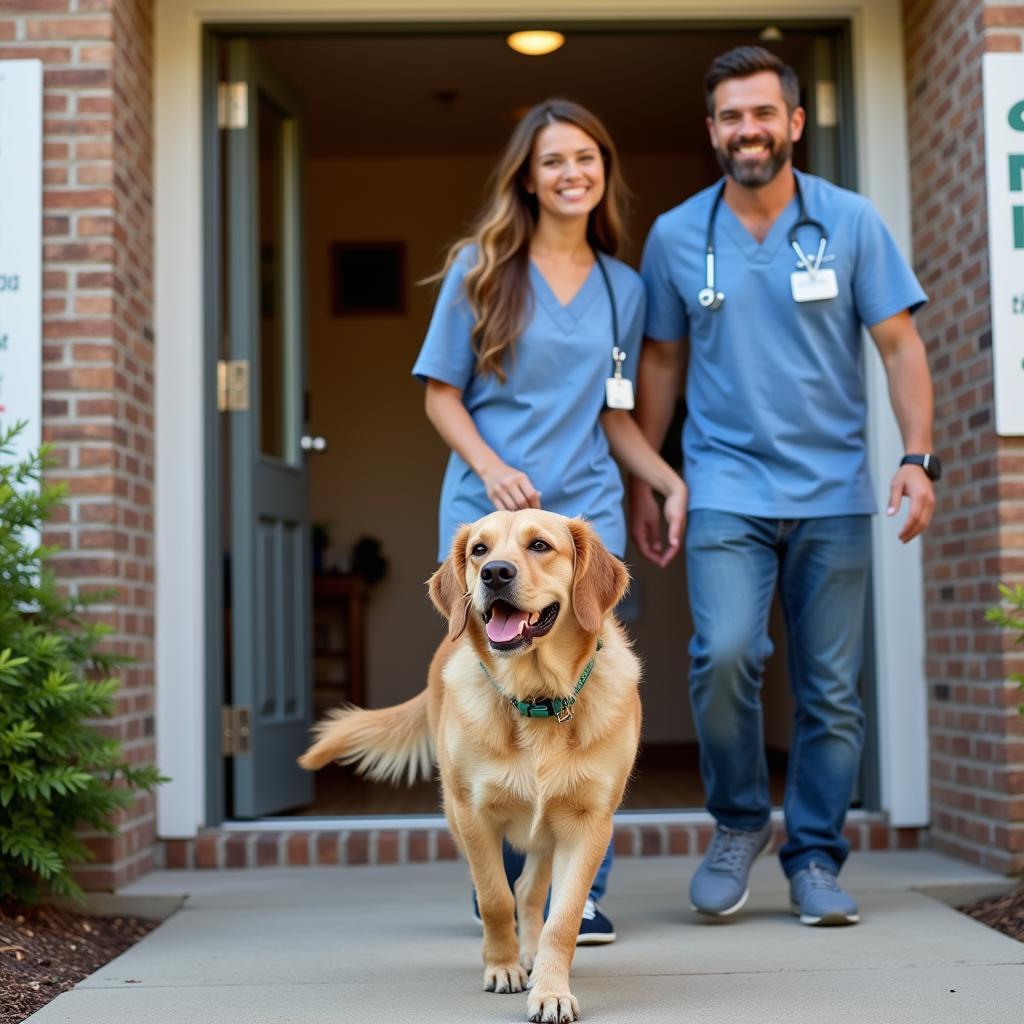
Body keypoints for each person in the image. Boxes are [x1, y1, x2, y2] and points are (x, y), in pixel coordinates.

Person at [631, 46, 937, 926]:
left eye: (763, 113)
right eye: (731, 116)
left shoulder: (849, 222)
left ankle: (814, 857)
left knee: (831, 688)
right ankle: (737, 823)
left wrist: (917, 456)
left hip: (835, 492)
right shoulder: (678, 236)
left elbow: (899, 345)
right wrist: (651, 478)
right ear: (712, 131)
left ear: (795, 122)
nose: (748, 130)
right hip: (725, 482)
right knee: (725, 655)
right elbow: (658, 356)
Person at [412, 98, 686, 945]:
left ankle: (581, 890)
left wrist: (664, 477)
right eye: (554, 161)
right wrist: (493, 469)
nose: (572, 173)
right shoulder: (481, 267)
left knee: (589, 699)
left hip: (582, 517)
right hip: (488, 514)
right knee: (487, 698)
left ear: (604, 172)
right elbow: (440, 394)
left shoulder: (622, 286)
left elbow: (614, 416)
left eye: (586, 159)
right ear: (526, 179)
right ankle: (495, 880)